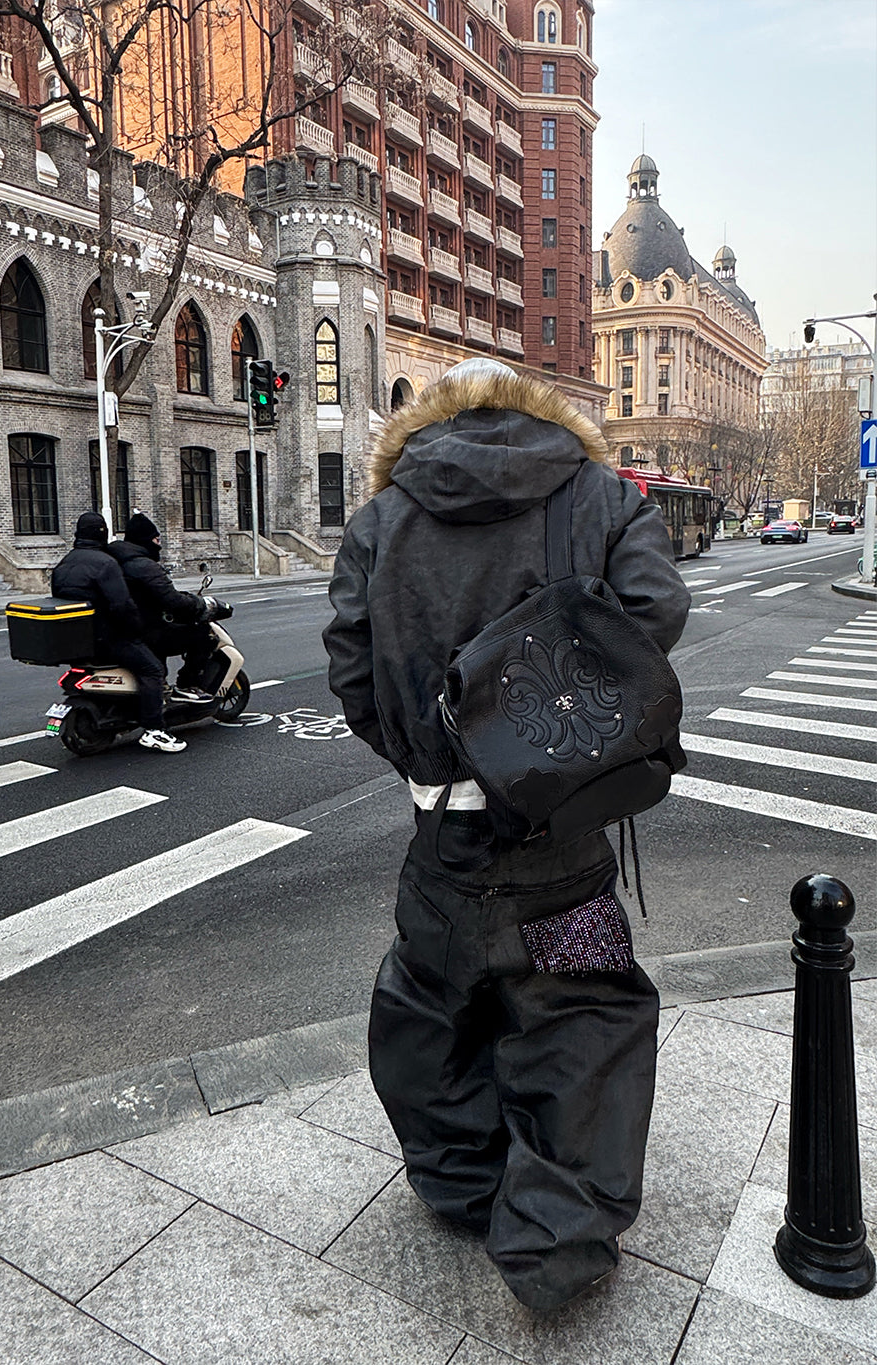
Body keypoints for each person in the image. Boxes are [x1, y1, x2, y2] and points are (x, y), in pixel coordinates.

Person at [323, 359, 690, 1313]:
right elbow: (657, 610)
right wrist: (548, 716)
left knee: (430, 1003)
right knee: (581, 1019)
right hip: (563, 844)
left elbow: (353, 675)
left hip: (441, 838)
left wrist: (433, 749)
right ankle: (554, 1241)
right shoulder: (597, 493)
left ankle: (460, 1184)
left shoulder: (381, 518)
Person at [51, 512, 186, 753]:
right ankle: (155, 729)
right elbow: (122, 605)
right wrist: (136, 630)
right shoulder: (105, 564)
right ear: (102, 533)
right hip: (108, 637)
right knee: (152, 669)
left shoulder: (64, 564)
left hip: (78, 640)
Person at [105, 512, 224, 702]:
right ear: (145, 540)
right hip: (145, 628)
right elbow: (172, 600)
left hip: (123, 629)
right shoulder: (145, 566)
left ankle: (163, 686)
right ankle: (187, 685)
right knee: (203, 635)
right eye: (156, 539)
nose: (158, 544)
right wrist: (198, 604)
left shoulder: (115, 561)